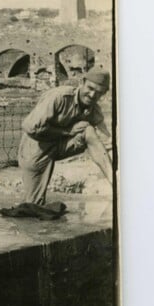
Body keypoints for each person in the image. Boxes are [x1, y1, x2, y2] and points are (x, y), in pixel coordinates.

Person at [18, 70, 113, 205]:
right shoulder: (59, 96)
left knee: (89, 130)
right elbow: (30, 128)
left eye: (99, 92)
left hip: (61, 145)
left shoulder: (93, 108)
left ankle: (115, 182)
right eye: (90, 88)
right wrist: (67, 131)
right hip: (37, 147)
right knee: (33, 204)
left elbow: (106, 140)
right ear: (82, 82)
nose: (92, 95)